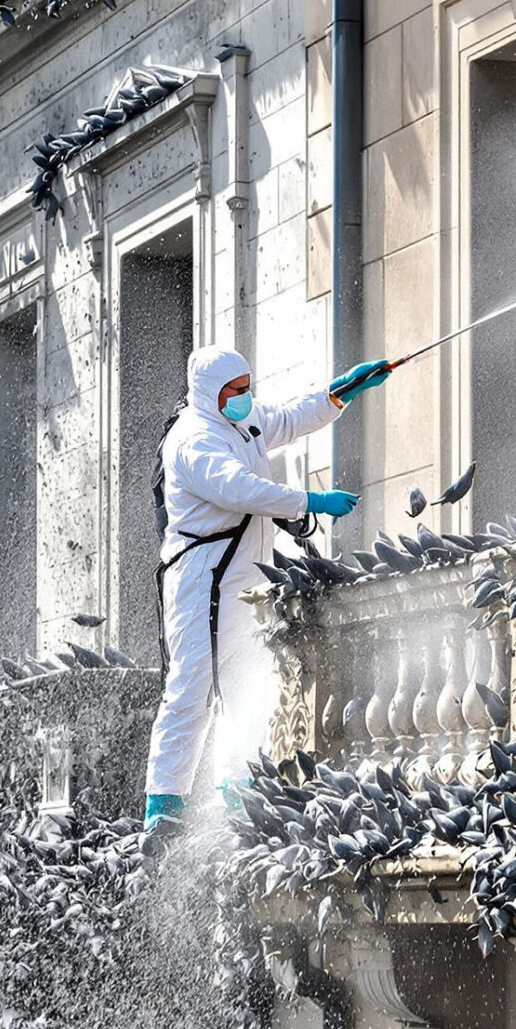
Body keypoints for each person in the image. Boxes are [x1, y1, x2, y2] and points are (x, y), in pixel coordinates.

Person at [146, 345, 387, 829]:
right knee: (192, 689)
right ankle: (163, 804)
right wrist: (309, 500)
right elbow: (239, 489)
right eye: (234, 390)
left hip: (242, 576)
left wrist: (339, 394)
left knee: (247, 684)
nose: (245, 396)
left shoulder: (241, 420)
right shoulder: (193, 439)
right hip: (202, 579)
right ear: (209, 393)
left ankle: (237, 790)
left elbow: (289, 417)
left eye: (247, 386)